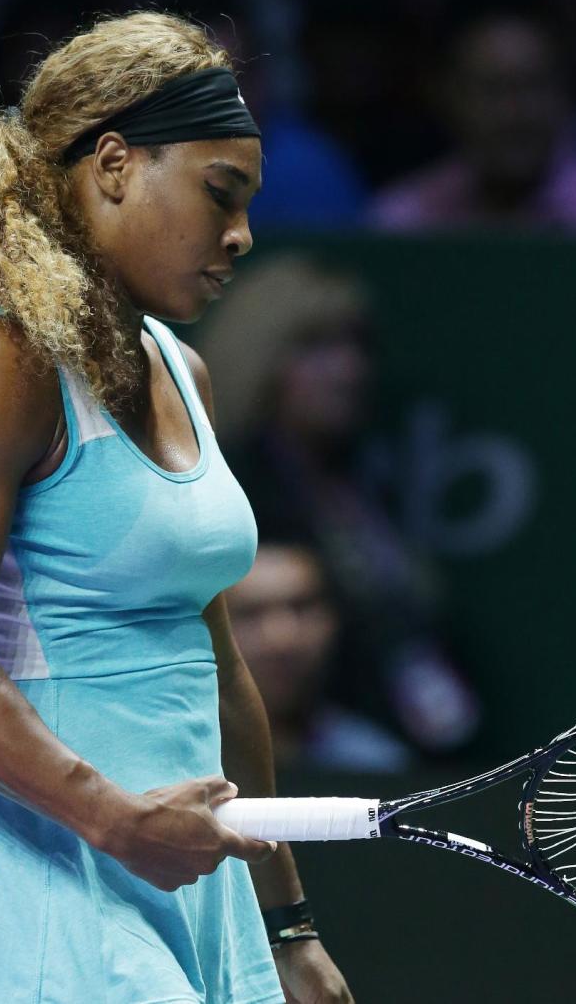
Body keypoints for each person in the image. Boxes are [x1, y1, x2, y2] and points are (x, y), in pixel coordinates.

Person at [0, 12, 351, 1004]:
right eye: (221, 193)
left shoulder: (186, 372)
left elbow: (218, 673)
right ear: (117, 164)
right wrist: (111, 814)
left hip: (178, 884)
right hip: (19, 883)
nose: (241, 234)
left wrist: (286, 924)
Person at [196, 254, 482, 757]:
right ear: (259, 357)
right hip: (287, 759)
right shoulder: (228, 487)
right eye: (316, 347)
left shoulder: (361, 479)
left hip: (399, 750)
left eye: (357, 346)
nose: (348, 369)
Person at [370, 13, 576, 233]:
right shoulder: (401, 220)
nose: (516, 112)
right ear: (451, 98)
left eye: (535, 87)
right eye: (494, 90)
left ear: (565, 96)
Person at [226, 542, 411, 773]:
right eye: (250, 613)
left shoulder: (375, 766)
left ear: (334, 620)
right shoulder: (178, 765)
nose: (281, 639)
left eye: (301, 608)